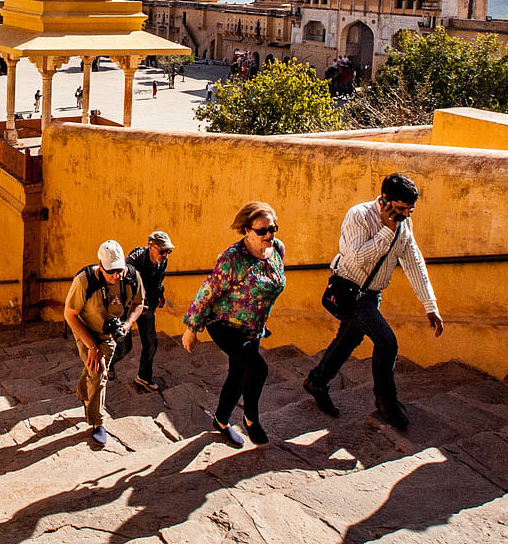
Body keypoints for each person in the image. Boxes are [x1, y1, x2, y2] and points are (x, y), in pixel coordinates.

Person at [303, 173, 443, 430]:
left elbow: (413, 262)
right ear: (385, 201)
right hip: (349, 290)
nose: (406, 215)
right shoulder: (359, 216)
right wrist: (386, 232)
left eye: (410, 210)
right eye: (401, 209)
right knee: (387, 343)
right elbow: (355, 258)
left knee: (349, 338)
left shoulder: (404, 225)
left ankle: (317, 381)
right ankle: (386, 401)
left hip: (372, 294)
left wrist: (430, 305)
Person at [182, 201, 285, 448]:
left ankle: (221, 420)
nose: (269, 235)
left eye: (273, 229)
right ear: (247, 231)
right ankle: (251, 419)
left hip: (253, 326)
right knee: (257, 369)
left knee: (238, 373)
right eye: (262, 231)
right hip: (225, 325)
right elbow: (207, 293)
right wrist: (191, 329)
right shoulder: (232, 259)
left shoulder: (277, 249)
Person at [64, 240, 144, 449]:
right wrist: (91, 346)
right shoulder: (84, 282)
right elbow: (70, 314)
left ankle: (84, 391)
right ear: (100, 266)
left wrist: (127, 324)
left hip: (110, 332)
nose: (116, 276)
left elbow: (138, 302)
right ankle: (97, 421)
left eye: (119, 270)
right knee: (99, 371)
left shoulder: (131, 277)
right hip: (86, 329)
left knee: (97, 369)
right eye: (111, 272)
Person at [112, 230, 173, 392]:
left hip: (147, 306)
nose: (165, 255)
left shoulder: (163, 261)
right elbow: (118, 282)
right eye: (162, 251)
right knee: (125, 346)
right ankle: (107, 364)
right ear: (151, 247)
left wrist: (160, 293)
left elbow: (159, 279)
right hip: (128, 308)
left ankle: (144, 377)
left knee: (152, 342)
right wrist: (132, 302)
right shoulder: (133, 261)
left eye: (168, 251)